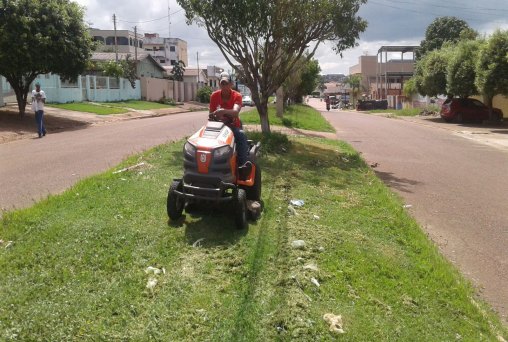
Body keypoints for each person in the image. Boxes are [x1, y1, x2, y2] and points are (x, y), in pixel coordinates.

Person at [209, 73, 251, 177]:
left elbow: (235, 112)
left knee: (241, 135)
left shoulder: (237, 96)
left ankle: (242, 166)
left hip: (232, 127)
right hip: (217, 127)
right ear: (219, 85)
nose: (224, 86)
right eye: (222, 84)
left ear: (231, 84)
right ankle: (207, 165)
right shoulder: (214, 96)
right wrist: (214, 116)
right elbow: (211, 114)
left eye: (226, 83)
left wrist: (223, 111)